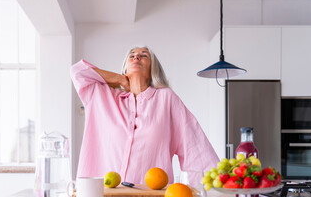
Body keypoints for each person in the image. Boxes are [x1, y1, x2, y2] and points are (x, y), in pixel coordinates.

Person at [70, 46, 219, 186]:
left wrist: (209, 190)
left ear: (153, 69)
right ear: (125, 69)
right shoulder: (104, 97)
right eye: (132, 56)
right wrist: (120, 79)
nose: (136, 58)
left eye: (144, 56)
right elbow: (77, 72)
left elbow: (193, 145)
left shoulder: (166, 98)